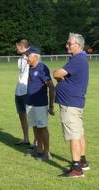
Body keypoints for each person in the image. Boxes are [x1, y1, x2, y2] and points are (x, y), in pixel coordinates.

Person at [54, 33, 89, 177]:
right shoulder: (79, 58)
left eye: (70, 43)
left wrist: (59, 75)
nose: (67, 45)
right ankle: (82, 161)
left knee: (74, 134)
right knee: (79, 133)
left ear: (79, 46)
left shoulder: (77, 59)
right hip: (75, 101)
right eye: (67, 43)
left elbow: (57, 73)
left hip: (70, 103)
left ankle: (76, 168)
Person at [24, 46, 55, 161]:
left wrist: (51, 105)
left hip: (40, 104)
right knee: (35, 126)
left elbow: (51, 87)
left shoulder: (42, 68)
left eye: (28, 55)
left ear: (35, 56)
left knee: (42, 127)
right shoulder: (30, 68)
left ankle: (47, 152)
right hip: (30, 103)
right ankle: (39, 149)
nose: (26, 57)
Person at [14, 38, 31, 147]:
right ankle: (26, 139)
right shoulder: (20, 59)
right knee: (21, 115)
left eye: (16, 47)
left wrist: (28, 58)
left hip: (28, 91)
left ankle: (37, 142)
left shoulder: (32, 56)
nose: (15, 49)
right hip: (19, 91)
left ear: (21, 46)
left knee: (31, 116)